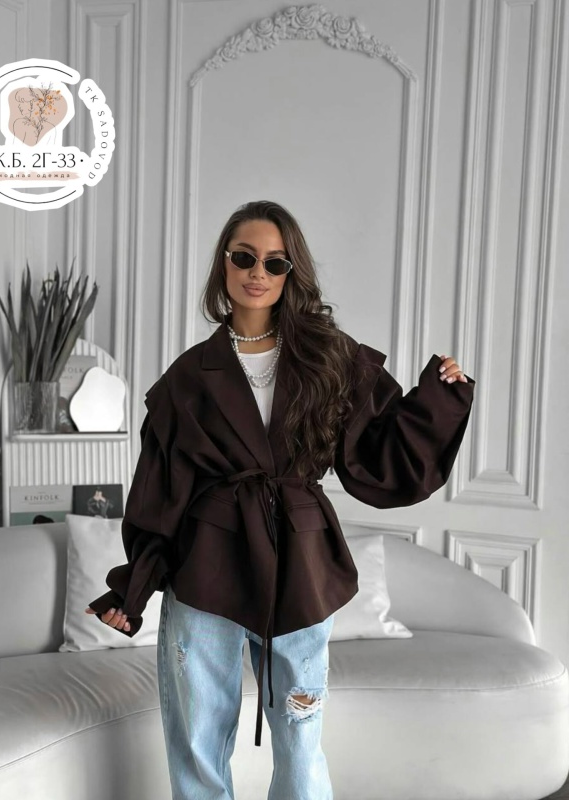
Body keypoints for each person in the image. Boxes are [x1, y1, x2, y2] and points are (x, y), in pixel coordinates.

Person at [85, 200, 475, 800]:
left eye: (275, 262)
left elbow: (378, 450)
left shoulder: (328, 356)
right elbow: (161, 490)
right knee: (197, 738)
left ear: (293, 271)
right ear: (224, 263)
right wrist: (133, 589)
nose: (257, 272)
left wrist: (440, 398)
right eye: (244, 257)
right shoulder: (187, 377)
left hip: (300, 559)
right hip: (204, 563)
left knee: (300, 734)